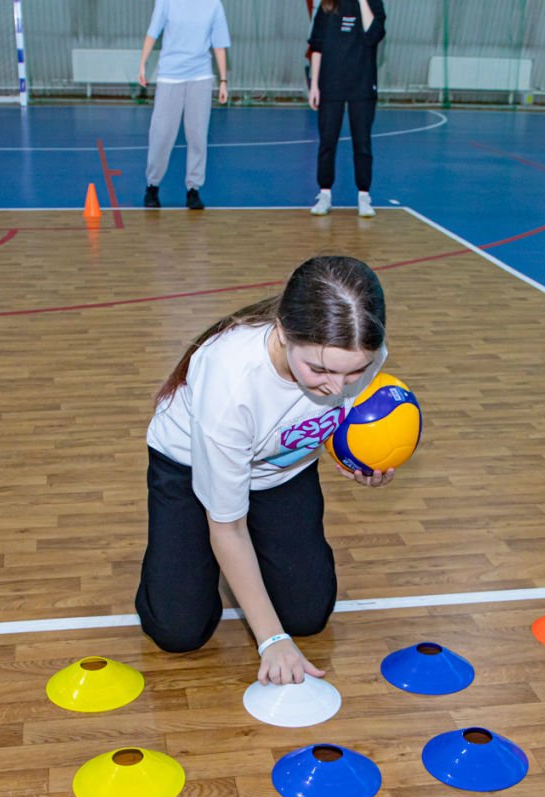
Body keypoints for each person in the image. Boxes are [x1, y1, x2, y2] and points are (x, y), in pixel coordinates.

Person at [136, 256, 394, 684]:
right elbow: (228, 528)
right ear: (283, 332)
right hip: (190, 466)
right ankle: (184, 555)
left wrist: (362, 456)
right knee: (178, 631)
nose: (336, 386)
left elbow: (343, 413)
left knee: (307, 617)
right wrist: (271, 640)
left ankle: (251, 559)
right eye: (320, 370)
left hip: (283, 470)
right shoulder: (231, 381)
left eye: (354, 372)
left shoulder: (362, 348)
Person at [138, 0, 231, 211]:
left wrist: (223, 81)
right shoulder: (166, 2)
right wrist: (142, 63)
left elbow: (219, 44)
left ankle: (193, 189)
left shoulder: (214, 5)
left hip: (200, 77)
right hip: (170, 76)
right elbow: (153, 32)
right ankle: (152, 186)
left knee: (197, 136)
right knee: (161, 134)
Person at [308, 0, 385, 218]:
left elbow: (373, 35)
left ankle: (364, 196)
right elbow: (317, 47)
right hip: (330, 85)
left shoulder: (373, 4)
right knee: (327, 143)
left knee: (362, 144)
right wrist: (314, 85)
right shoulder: (327, 5)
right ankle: (324, 194)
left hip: (362, 86)